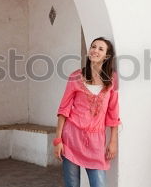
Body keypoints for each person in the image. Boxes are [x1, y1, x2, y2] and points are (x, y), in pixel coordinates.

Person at [53, 37, 121, 187]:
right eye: (93, 46)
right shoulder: (76, 76)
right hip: (71, 138)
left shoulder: (111, 80)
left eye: (100, 49)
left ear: (107, 56)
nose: (95, 50)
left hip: (96, 143)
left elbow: (113, 114)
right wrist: (58, 140)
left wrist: (113, 141)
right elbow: (64, 109)